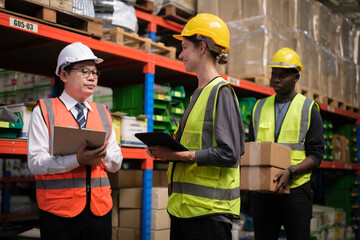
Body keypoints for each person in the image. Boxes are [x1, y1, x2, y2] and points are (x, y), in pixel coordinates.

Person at [146, 13, 245, 240]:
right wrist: (165, 151)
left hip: (208, 216)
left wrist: (178, 155)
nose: (180, 55)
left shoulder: (221, 92)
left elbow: (229, 153)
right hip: (186, 211)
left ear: (202, 47)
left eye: (184, 47)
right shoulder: (198, 94)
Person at [27, 42, 122, 240]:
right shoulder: (44, 111)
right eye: (84, 71)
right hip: (58, 213)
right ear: (64, 75)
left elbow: (116, 163)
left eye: (95, 73)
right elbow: (35, 163)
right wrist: (76, 159)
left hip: (99, 211)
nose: (92, 77)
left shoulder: (103, 113)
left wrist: (104, 155)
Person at [248, 47, 324, 240]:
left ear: (296, 77)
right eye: (274, 74)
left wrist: (291, 172)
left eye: (283, 75)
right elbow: (251, 148)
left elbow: (316, 156)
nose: (276, 79)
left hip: (296, 191)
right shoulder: (258, 107)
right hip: (263, 192)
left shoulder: (308, 109)